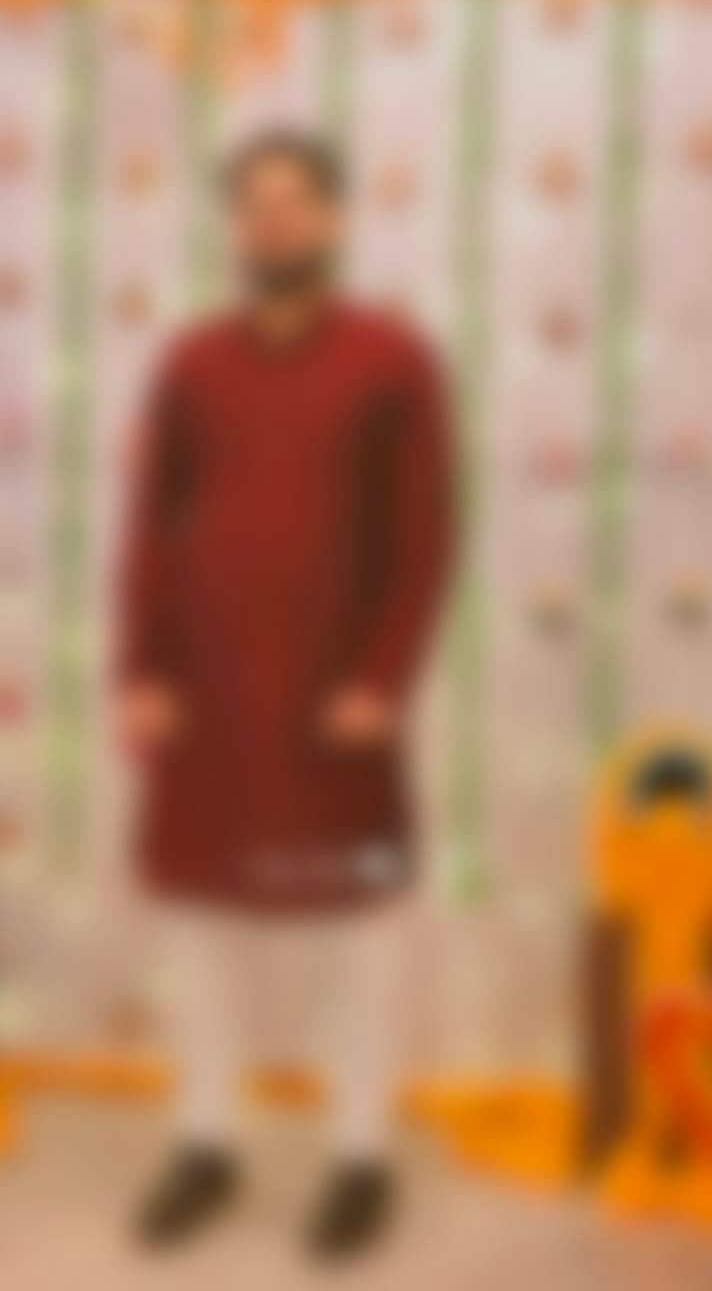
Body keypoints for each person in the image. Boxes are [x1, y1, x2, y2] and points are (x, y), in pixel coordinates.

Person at [114, 128, 455, 1262]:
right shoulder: (189, 362)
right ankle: (206, 1142)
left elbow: (424, 540)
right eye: (254, 204)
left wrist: (382, 681)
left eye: (295, 201)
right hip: (205, 703)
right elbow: (150, 530)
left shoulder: (394, 360)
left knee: (358, 925)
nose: (273, 221)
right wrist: (140, 671)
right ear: (235, 226)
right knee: (198, 927)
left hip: (336, 710)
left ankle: (362, 1156)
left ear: (335, 218)